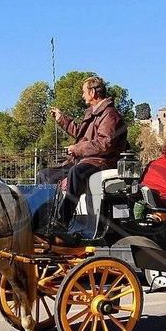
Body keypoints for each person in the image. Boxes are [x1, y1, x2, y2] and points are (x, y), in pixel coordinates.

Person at [38, 75, 127, 232]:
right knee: (45, 175)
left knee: (76, 172)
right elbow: (81, 133)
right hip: (85, 160)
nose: (82, 95)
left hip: (101, 162)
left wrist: (77, 149)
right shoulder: (93, 113)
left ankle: (61, 221)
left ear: (92, 92)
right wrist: (61, 119)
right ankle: (45, 219)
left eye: (84, 92)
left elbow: (105, 144)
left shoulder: (110, 115)